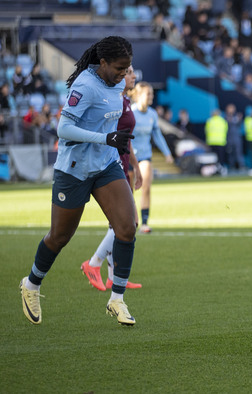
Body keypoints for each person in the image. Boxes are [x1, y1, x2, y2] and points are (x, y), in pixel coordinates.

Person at [19, 36, 138, 326]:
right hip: (73, 169)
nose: (125, 75)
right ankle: (31, 284)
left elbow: (108, 121)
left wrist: (119, 144)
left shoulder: (119, 83)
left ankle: (117, 299)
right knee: (59, 237)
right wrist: (105, 138)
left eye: (128, 69)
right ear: (103, 63)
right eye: (120, 68)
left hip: (106, 165)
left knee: (127, 227)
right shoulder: (84, 85)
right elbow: (63, 128)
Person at [81, 65, 144, 291]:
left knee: (117, 223)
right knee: (130, 222)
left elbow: (127, 140)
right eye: (128, 72)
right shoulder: (111, 102)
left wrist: (135, 167)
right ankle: (93, 262)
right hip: (111, 167)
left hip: (124, 166)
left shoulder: (124, 101)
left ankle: (114, 277)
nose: (133, 76)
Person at [129, 81, 174, 234]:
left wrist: (167, 153)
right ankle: (130, 220)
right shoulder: (130, 112)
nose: (151, 97)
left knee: (146, 186)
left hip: (145, 156)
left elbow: (157, 135)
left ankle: (145, 222)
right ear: (139, 95)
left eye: (152, 94)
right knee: (129, 191)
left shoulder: (152, 114)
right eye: (148, 94)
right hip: (129, 157)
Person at [224, 103, 245, 171]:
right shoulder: (225, 117)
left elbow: (238, 124)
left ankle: (241, 166)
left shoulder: (237, 116)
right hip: (229, 138)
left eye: (232, 108)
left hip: (237, 138)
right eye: (230, 108)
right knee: (230, 153)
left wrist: (239, 119)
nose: (231, 110)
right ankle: (231, 166)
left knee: (238, 152)